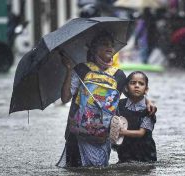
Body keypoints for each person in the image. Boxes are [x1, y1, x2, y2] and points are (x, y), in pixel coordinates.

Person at [56, 31, 156, 167]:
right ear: (94, 49)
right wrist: (69, 70)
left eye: (111, 45)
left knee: (100, 175)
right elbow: (65, 98)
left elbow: (134, 95)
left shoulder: (119, 76)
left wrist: (149, 102)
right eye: (104, 44)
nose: (110, 48)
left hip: (103, 138)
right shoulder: (81, 70)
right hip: (78, 136)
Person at [113, 71, 157, 163]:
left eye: (141, 84)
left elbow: (141, 133)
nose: (137, 86)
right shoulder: (120, 105)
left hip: (145, 155)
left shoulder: (148, 110)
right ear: (126, 88)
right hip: (125, 153)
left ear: (146, 89)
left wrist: (121, 132)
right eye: (133, 83)